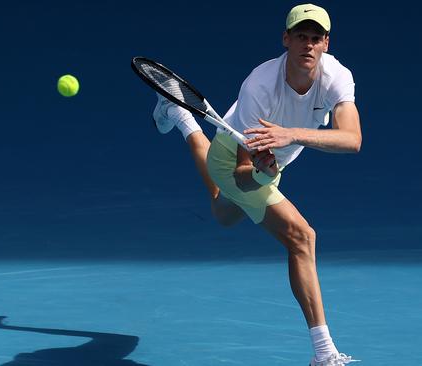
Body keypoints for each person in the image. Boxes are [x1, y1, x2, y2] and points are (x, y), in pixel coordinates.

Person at [151, 4, 362, 365]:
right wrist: (264, 171)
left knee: (223, 212)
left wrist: (289, 136)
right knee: (301, 236)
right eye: (300, 37)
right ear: (286, 39)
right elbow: (242, 173)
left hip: (272, 156)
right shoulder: (260, 86)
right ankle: (324, 354)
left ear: (326, 43)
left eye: (315, 38)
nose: (308, 45)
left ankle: (183, 118)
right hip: (231, 158)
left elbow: (352, 139)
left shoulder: (337, 76)